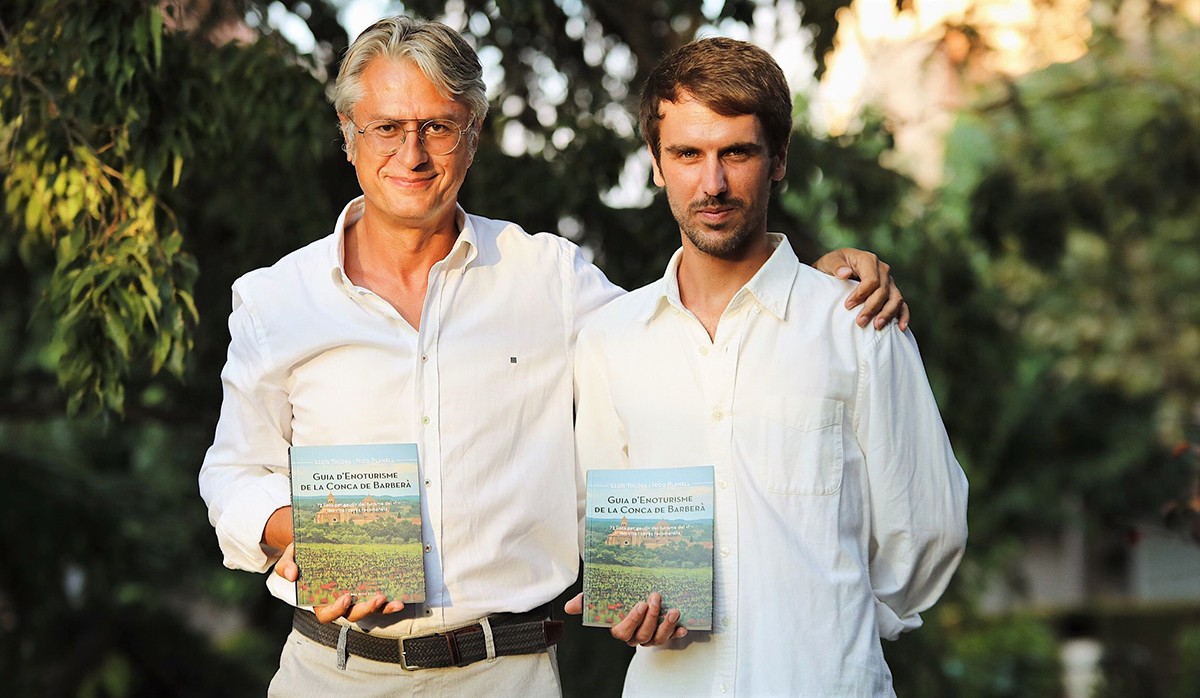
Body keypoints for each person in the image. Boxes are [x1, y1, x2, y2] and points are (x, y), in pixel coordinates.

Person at [198, 16, 907, 697]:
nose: (410, 155)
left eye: (437, 128)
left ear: (473, 137)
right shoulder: (275, 299)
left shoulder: (550, 278)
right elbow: (232, 472)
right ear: (348, 136)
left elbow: (687, 336)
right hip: (332, 671)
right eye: (385, 128)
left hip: (507, 673)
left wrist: (810, 281)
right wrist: (293, 526)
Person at [567, 37, 969, 696]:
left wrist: (830, 625)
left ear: (778, 159)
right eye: (688, 154)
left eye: (738, 153)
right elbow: (606, 530)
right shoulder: (610, 340)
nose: (713, 182)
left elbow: (928, 524)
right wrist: (633, 604)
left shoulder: (855, 322)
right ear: (657, 163)